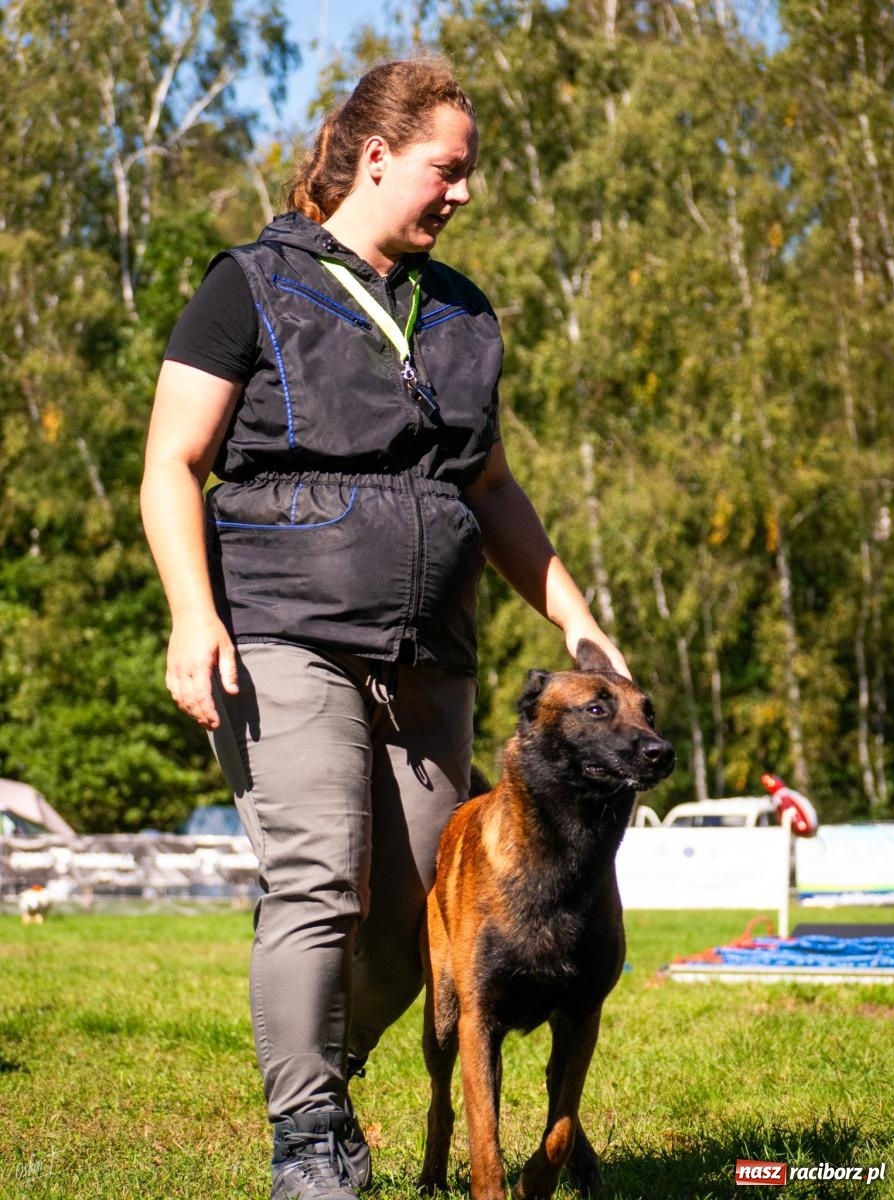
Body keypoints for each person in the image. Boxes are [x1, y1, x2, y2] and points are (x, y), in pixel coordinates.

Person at [140, 57, 629, 1200]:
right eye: (446, 169)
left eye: (469, 174)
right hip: (280, 631)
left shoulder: (461, 313)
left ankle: (320, 1064)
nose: (463, 192)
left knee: (413, 919)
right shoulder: (250, 285)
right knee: (316, 881)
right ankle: (309, 1134)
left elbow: (493, 490)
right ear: (376, 157)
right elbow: (172, 461)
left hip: (430, 653)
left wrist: (577, 617)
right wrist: (190, 613)